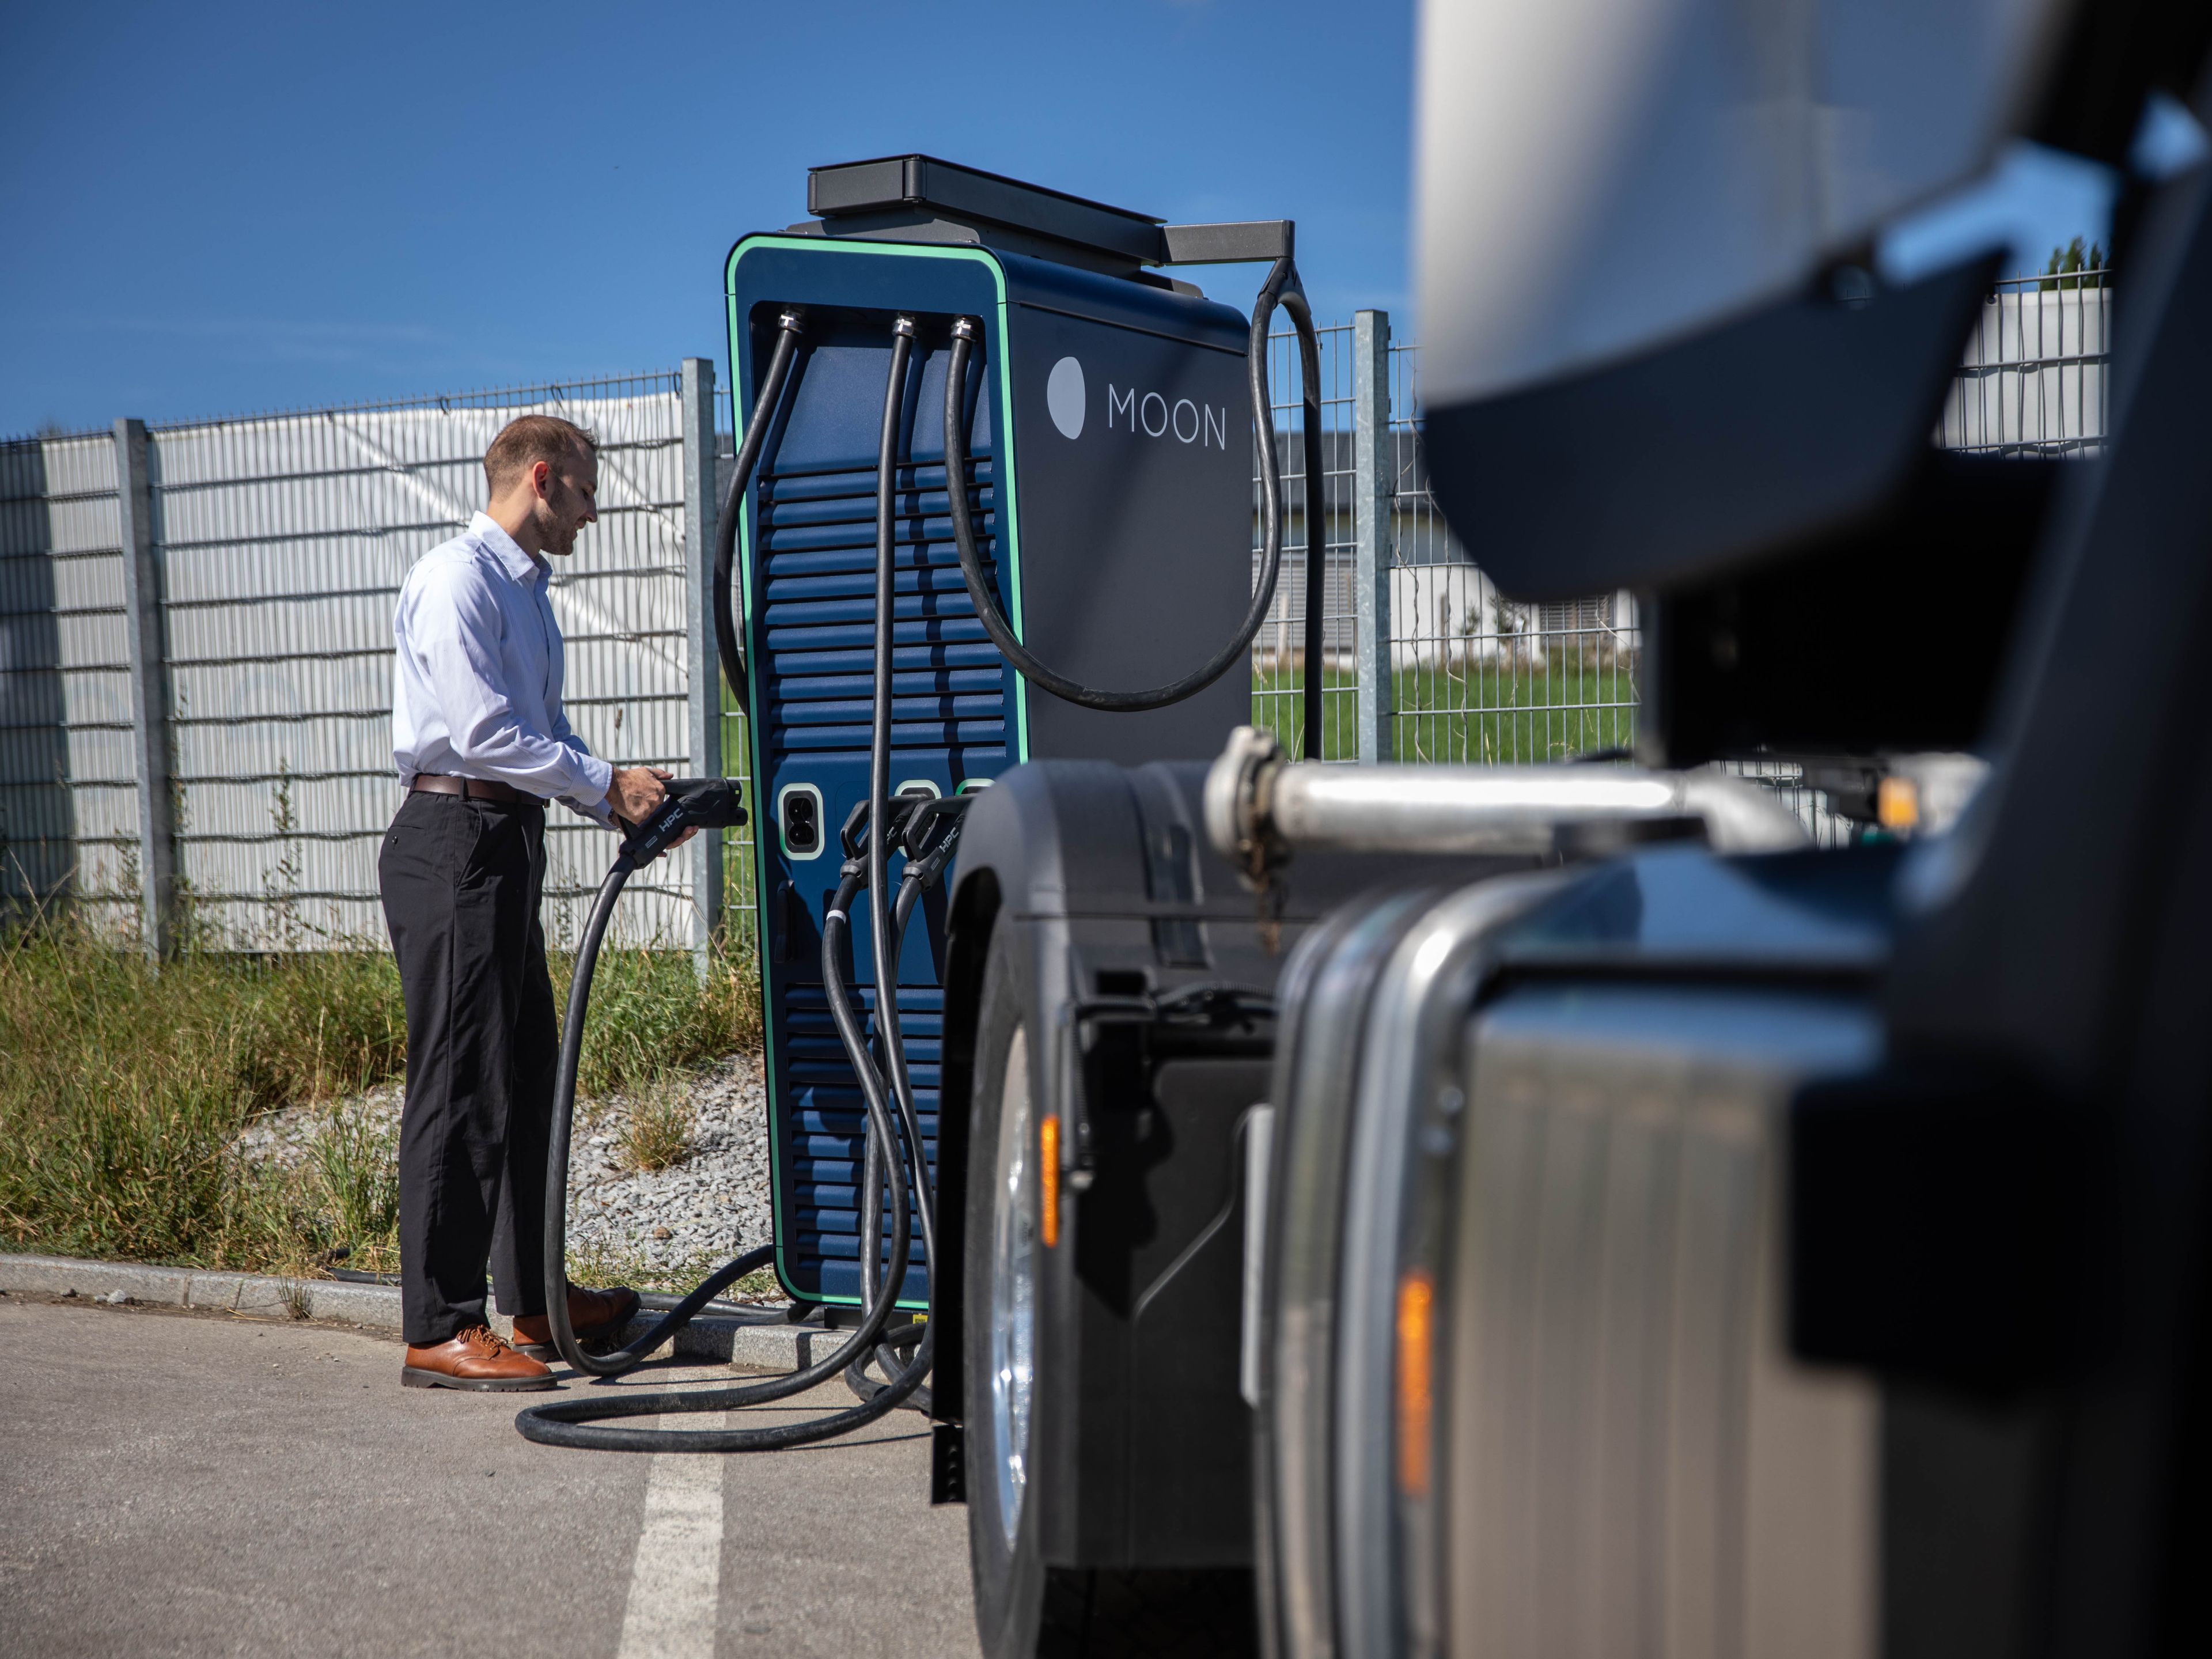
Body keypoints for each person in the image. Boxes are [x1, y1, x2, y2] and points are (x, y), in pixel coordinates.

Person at [380, 414, 684, 1391]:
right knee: (462, 1083)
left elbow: (539, 739)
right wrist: (603, 784)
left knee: (523, 1075)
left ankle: (533, 1302)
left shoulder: (528, 596)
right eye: (587, 493)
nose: (592, 514)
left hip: (502, 837)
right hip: (453, 838)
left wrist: (622, 802)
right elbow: (481, 733)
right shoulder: (458, 580)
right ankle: (440, 1325)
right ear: (542, 479)